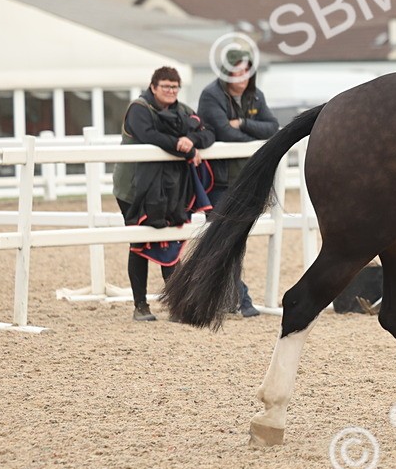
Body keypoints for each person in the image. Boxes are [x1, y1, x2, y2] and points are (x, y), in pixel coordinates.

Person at [112, 67, 215, 321]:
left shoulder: (182, 110)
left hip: (170, 189)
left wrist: (191, 140)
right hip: (134, 189)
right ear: (154, 87)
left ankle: (176, 304)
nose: (171, 91)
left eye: (175, 87)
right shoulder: (138, 109)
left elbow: (208, 133)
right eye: (166, 86)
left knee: (171, 240)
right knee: (140, 241)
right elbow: (150, 136)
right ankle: (140, 305)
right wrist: (186, 148)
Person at [197, 49, 279, 317]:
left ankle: (226, 298)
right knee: (224, 240)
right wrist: (256, 144)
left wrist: (243, 122)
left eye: (246, 70)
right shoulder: (211, 95)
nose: (242, 76)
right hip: (218, 181)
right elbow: (225, 133)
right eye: (236, 71)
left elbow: (272, 127)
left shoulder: (255, 95)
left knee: (232, 241)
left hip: (243, 179)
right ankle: (240, 299)